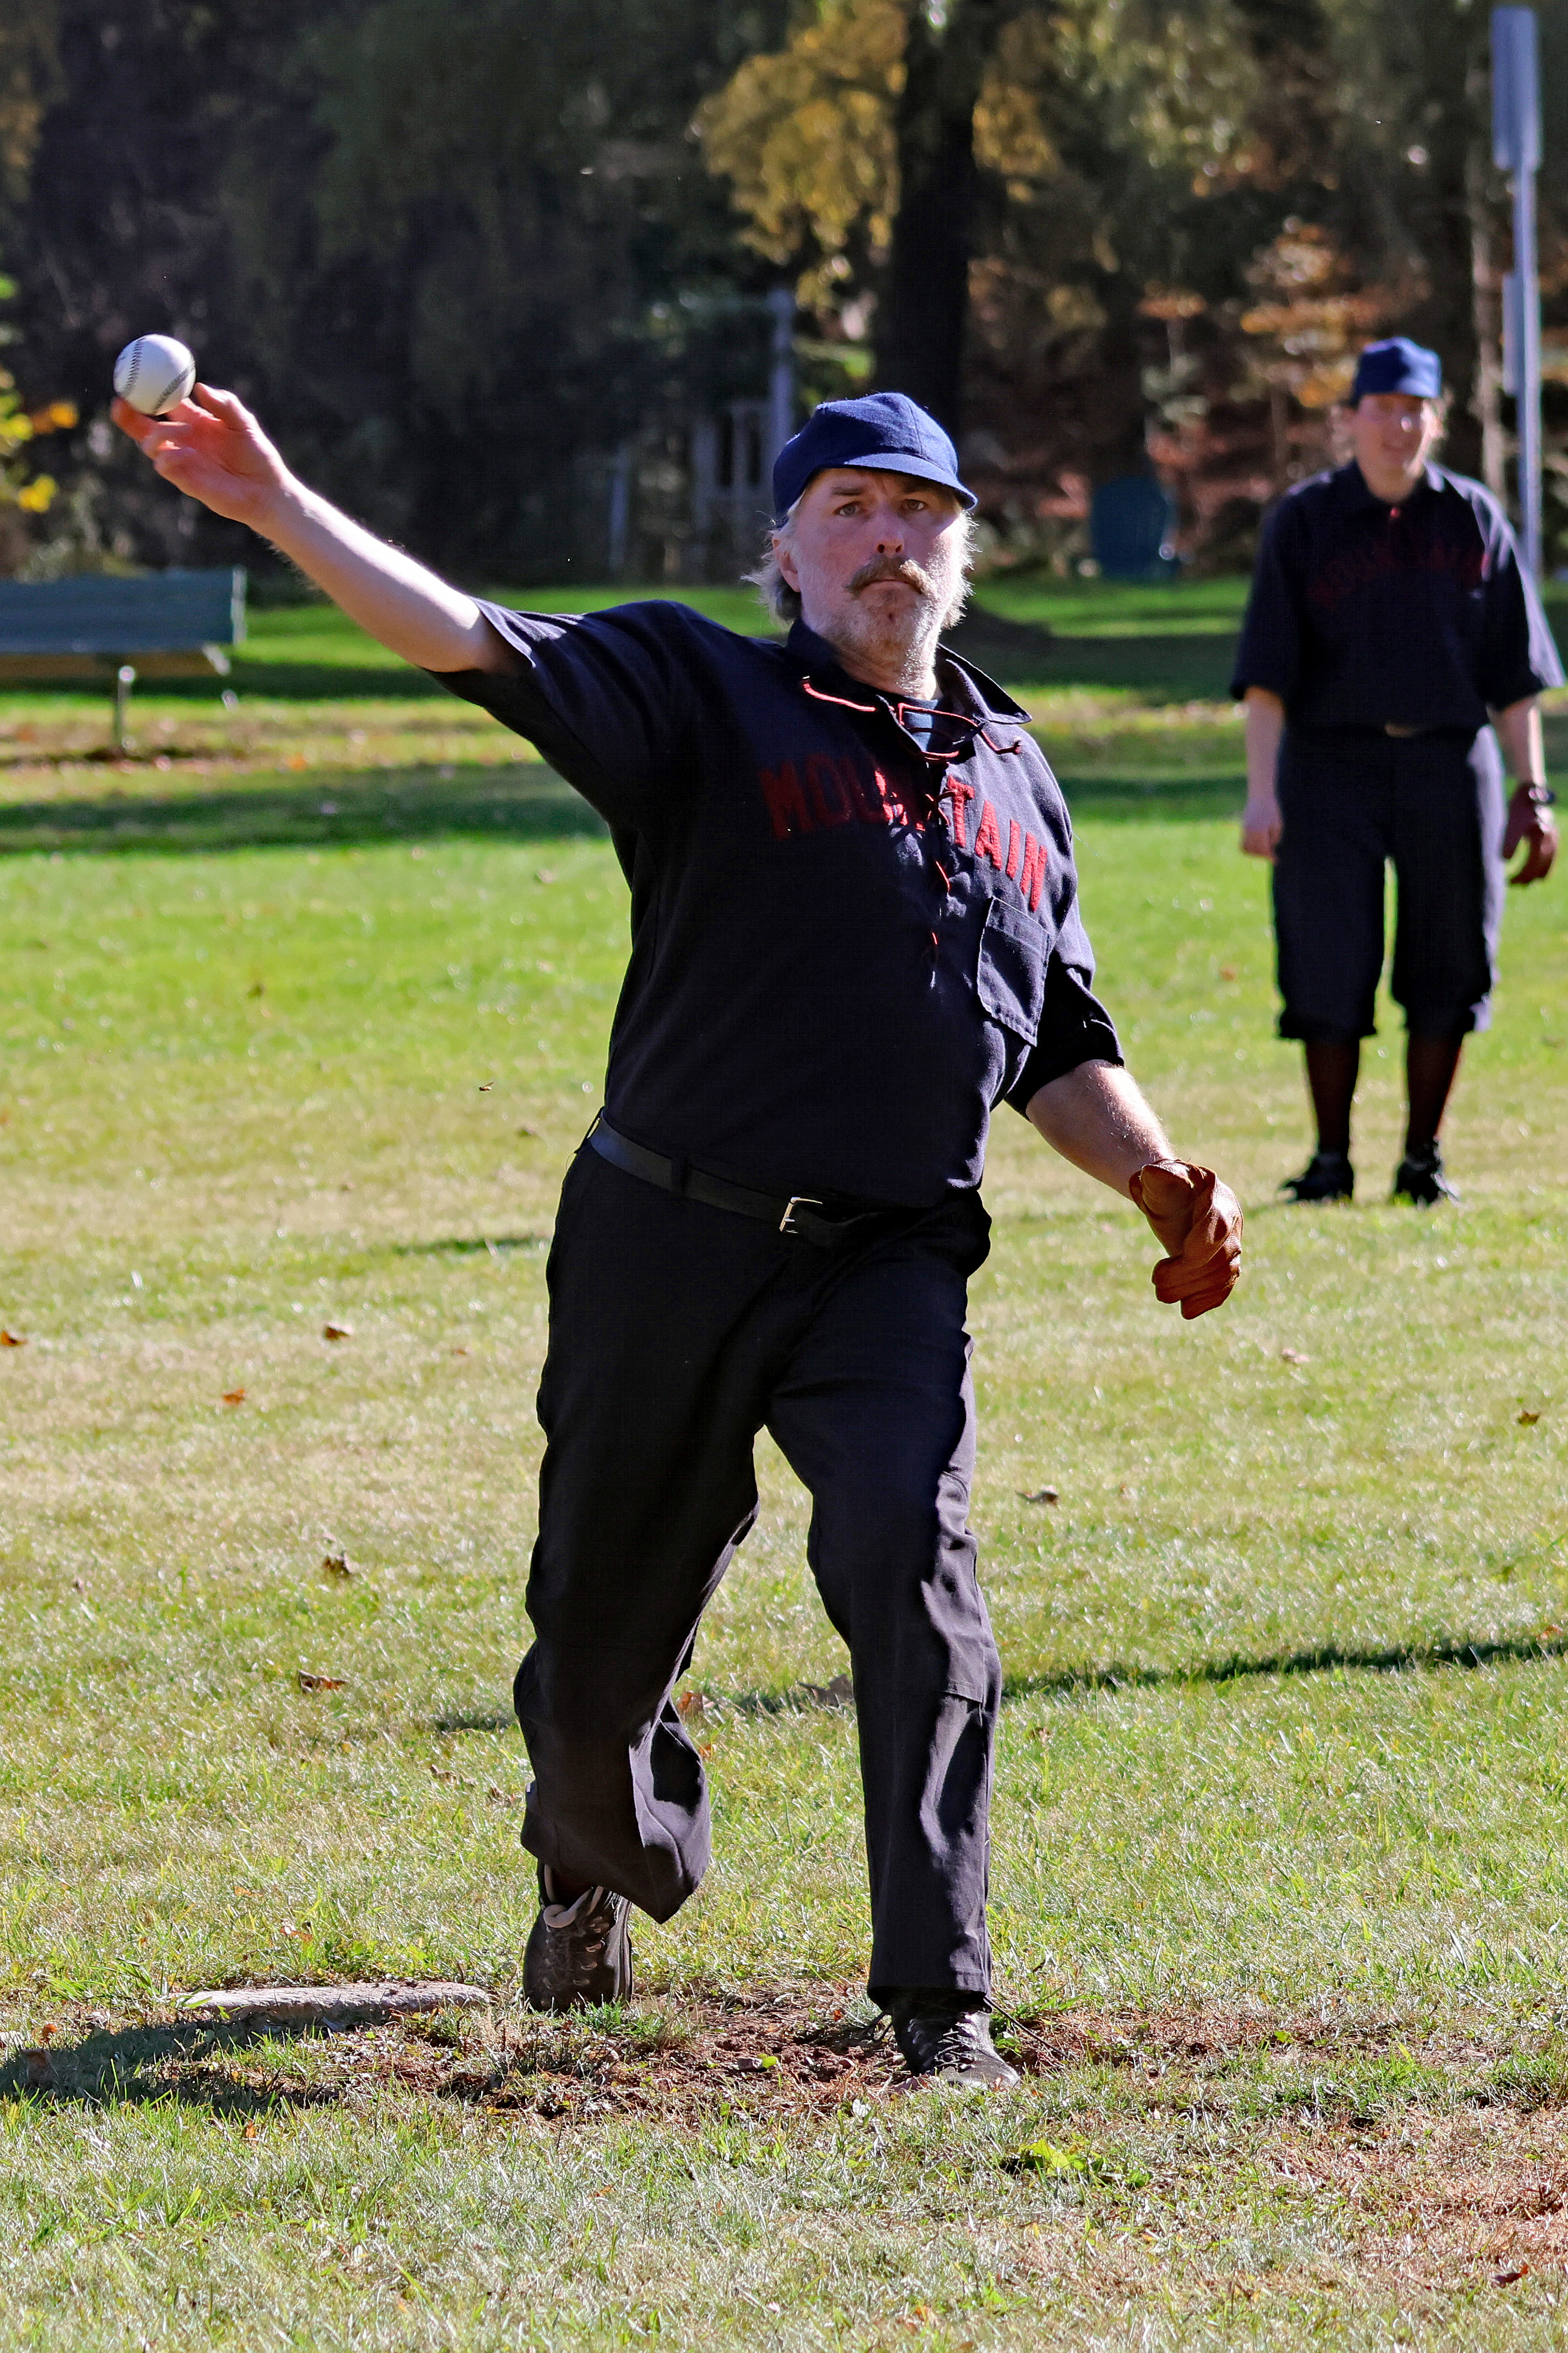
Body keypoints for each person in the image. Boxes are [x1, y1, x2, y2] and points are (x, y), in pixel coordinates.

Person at [115, 382, 1242, 2090]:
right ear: (784, 552)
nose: (888, 539)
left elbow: (1056, 1035)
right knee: (596, 1657)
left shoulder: (1015, 773)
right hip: (669, 1238)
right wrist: (275, 505)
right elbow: (471, 639)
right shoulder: (699, 692)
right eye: (849, 509)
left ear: (964, 550)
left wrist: (1155, 1179)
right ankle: (594, 1859)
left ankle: (940, 2002)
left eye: (920, 511)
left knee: (913, 1570)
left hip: (891, 1257)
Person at [1234, 336, 1561, 1205]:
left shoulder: (1473, 519)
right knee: (1326, 955)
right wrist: (1261, 794)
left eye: (1416, 410)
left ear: (1437, 421)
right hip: (1328, 764)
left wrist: (1533, 793)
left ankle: (1423, 1159)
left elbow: (1516, 678)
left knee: (1450, 958)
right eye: (1382, 408)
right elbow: (1266, 676)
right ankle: (1330, 1160)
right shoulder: (1304, 522)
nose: (1399, 426)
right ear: (1350, 419)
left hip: (1450, 761)